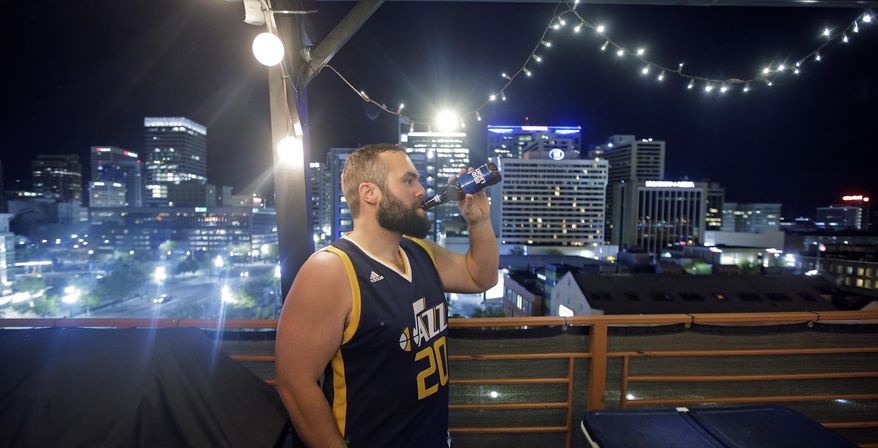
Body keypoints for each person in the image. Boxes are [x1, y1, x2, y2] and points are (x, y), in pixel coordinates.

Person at [275, 143, 499, 447]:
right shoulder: (331, 270)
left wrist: (480, 220)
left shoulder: (420, 252)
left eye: (418, 180)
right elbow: (295, 384)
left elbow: (480, 277)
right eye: (408, 181)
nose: (421, 190)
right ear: (370, 193)